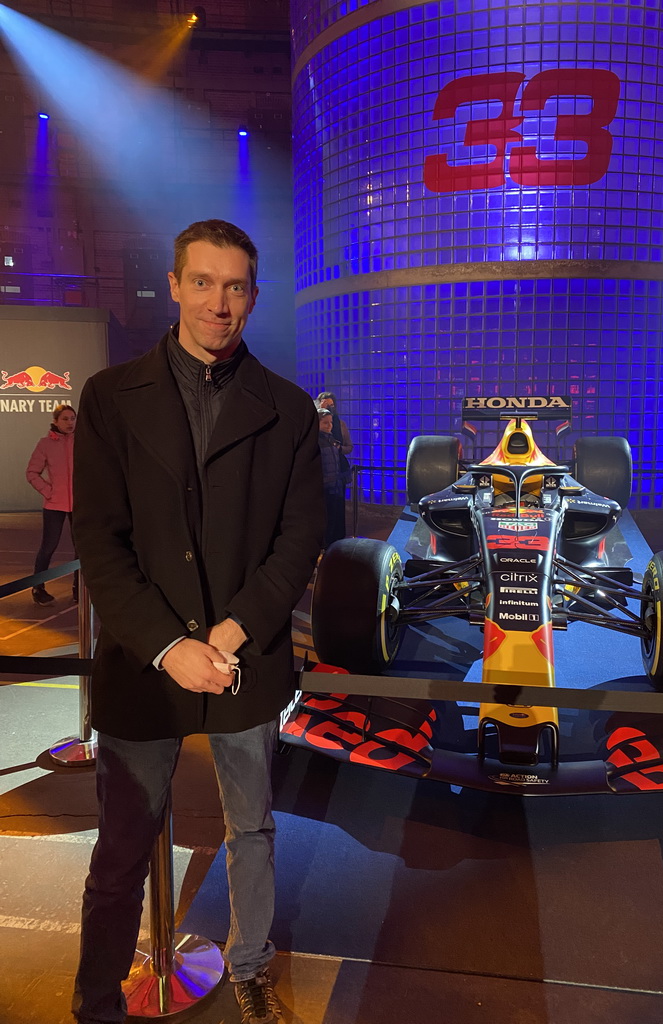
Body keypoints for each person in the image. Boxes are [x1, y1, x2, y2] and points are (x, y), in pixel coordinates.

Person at [71, 219, 324, 1024]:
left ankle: (249, 966)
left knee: (252, 828)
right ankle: (97, 995)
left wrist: (236, 627)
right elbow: (99, 543)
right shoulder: (111, 398)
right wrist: (169, 645)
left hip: (244, 658)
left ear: (254, 296)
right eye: (204, 283)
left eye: (237, 286)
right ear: (176, 285)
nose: (220, 302)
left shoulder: (286, 410)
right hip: (146, 663)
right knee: (120, 849)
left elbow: (299, 539)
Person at [26, 403, 77, 605]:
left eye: (73, 418)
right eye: (65, 419)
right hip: (54, 505)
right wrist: (50, 492)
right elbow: (31, 473)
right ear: (55, 421)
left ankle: (78, 589)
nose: (70, 423)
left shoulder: (82, 442)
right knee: (48, 547)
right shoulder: (45, 444)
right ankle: (38, 589)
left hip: (79, 505)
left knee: (81, 549)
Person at [317, 407, 346, 548]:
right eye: (325, 423)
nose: (330, 426)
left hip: (335, 486)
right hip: (324, 489)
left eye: (330, 422)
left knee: (334, 520)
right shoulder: (316, 442)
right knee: (325, 522)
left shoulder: (331, 440)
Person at [315, 391, 353, 484]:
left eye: (331, 405)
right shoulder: (314, 423)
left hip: (338, 470)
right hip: (320, 472)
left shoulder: (340, 424)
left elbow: (349, 447)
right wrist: (320, 412)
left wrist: (339, 448)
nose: (329, 408)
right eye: (326, 405)